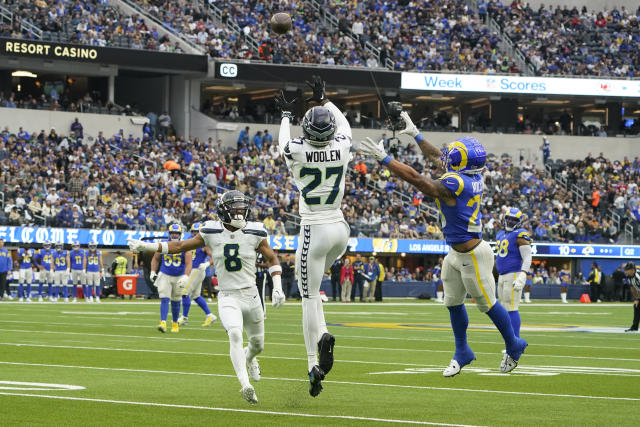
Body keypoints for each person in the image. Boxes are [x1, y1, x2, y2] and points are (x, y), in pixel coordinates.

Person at [359, 111, 527, 377]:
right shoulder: (468, 176)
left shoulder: (456, 182)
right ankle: (463, 351)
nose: (449, 157)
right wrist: (415, 133)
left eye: (456, 155)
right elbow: (438, 158)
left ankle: (514, 344)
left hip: (473, 253)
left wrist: (384, 159)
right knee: (451, 301)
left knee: (488, 304)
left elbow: (419, 180)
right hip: (456, 251)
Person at [128, 190, 285, 404]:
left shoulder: (255, 231)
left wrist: (277, 286)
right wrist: (147, 246)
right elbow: (180, 246)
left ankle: (250, 357)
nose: (241, 212)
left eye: (242, 208)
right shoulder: (210, 231)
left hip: (251, 295)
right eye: (236, 208)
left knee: (257, 345)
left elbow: (272, 258)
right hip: (228, 295)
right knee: (235, 336)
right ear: (224, 210)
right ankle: (245, 384)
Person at [275, 75, 351, 396]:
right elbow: (345, 126)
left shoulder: (296, 150)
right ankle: (323, 333)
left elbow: (282, 143)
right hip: (340, 230)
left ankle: (311, 364)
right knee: (316, 288)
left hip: (314, 228)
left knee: (307, 297)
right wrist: (324, 98)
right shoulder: (343, 146)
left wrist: (285, 117)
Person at [495, 208, 532, 340]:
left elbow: (527, 257)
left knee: (511, 307)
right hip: (502, 274)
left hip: (514, 274)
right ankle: (510, 340)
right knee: (504, 308)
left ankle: (515, 340)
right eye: (508, 218)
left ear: (519, 221)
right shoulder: (500, 233)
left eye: (514, 220)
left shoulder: (520, 233)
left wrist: (523, 274)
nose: (510, 221)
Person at [149, 224, 192, 333]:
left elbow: (189, 263)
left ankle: (174, 323)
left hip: (179, 276)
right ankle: (163, 322)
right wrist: (153, 271)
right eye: (172, 233)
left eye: (176, 233)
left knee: (176, 301)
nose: (174, 235)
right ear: (169, 233)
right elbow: (155, 259)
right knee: (164, 298)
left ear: (180, 234)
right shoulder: (164, 244)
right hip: (165, 274)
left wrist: (186, 276)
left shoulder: (185, 245)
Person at [177, 222, 217, 327]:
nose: (195, 234)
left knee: (185, 292)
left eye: (197, 232)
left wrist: (207, 263)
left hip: (197, 270)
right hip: (192, 270)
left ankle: (184, 317)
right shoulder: (188, 241)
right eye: (193, 232)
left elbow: (214, 256)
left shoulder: (203, 244)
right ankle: (210, 315)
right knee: (196, 296)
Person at [623, 262, 640, 332]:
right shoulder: (629, 277)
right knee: (636, 306)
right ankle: (634, 327)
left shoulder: (638, 276)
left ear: (633, 270)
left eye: (627, 270)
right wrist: (636, 299)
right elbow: (632, 288)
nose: (625, 271)